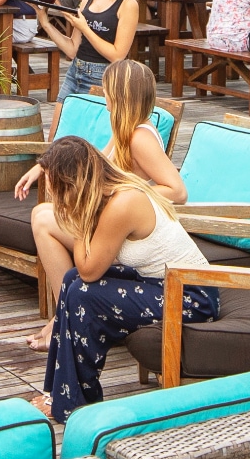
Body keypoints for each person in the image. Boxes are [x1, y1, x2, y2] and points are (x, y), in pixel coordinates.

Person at [32, 137, 219, 423]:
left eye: (54, 189)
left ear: (71, 183)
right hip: (161, 283)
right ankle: (59, 392)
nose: (53, 197)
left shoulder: (123, 202)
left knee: (82, 291)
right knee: (70, 282)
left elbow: (89, 270)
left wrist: (77, 214)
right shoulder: (110, 192)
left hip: (192, 297)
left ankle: (76, 402)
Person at [17, 61, 187, 351]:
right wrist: (44, 166)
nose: (104, 98)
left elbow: (178, 191)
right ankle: (65, 315)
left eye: (107, 91)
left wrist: (125, 197)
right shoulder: (124, 131)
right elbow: (94, 162)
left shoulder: (139, 138)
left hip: (129, 235)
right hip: (116, 227)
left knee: (44, 219)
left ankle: (64, 318)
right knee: (43, 214)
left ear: (119, 96)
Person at [42, 0, 142, 99]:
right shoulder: (88, 0)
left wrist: (85, 28)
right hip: (74, 72)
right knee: (59, 125)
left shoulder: (128, 4)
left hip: (103, 78)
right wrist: (45, 22)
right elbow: (72, 49)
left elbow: (117, 56)